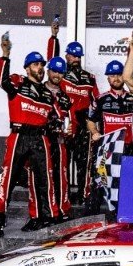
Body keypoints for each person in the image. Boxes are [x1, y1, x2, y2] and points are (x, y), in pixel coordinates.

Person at [0, 42, 60, 237]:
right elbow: (2, 80)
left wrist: (57, 123)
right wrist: (5, 54)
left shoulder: (48, 93)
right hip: (19, 136)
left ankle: (46, 217)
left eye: (42, 65)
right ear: (27, 67)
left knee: (44, 179)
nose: (40, 68)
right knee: (8, 178)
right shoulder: (18, 82)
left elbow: (53, 117)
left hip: (40, 138)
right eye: (36, 65)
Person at [60, 41, 97, 204]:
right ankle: (63, 196)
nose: (76, 59)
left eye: (78, 56)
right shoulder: (59, 75)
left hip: (82, 126)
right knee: (63, 164)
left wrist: (92, 122)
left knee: (84, 164)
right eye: (73, 55)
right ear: (66, 56)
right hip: (65, 126)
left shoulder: (89, 77)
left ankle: (83, 196)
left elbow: (96, 101)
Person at [43, 56, 73, 221]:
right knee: (43, 177)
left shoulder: (65, 97)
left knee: (61, 176)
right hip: (42, 140)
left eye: (61, 72)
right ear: (48, 70)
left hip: (59, 141)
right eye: (54, 71)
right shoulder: (38, 90)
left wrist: (69, 129)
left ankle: (62, 210)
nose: (57, 75)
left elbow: (68, 118)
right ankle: (46, 211)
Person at [86, 59, 133, 147]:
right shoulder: (100, 100)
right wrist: (95, 132)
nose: (116, 79)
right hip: (107, 148)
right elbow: (91, 121)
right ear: (108, 78)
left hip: (130, 148)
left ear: (124, 76)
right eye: (112, 75)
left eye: (119, 75)